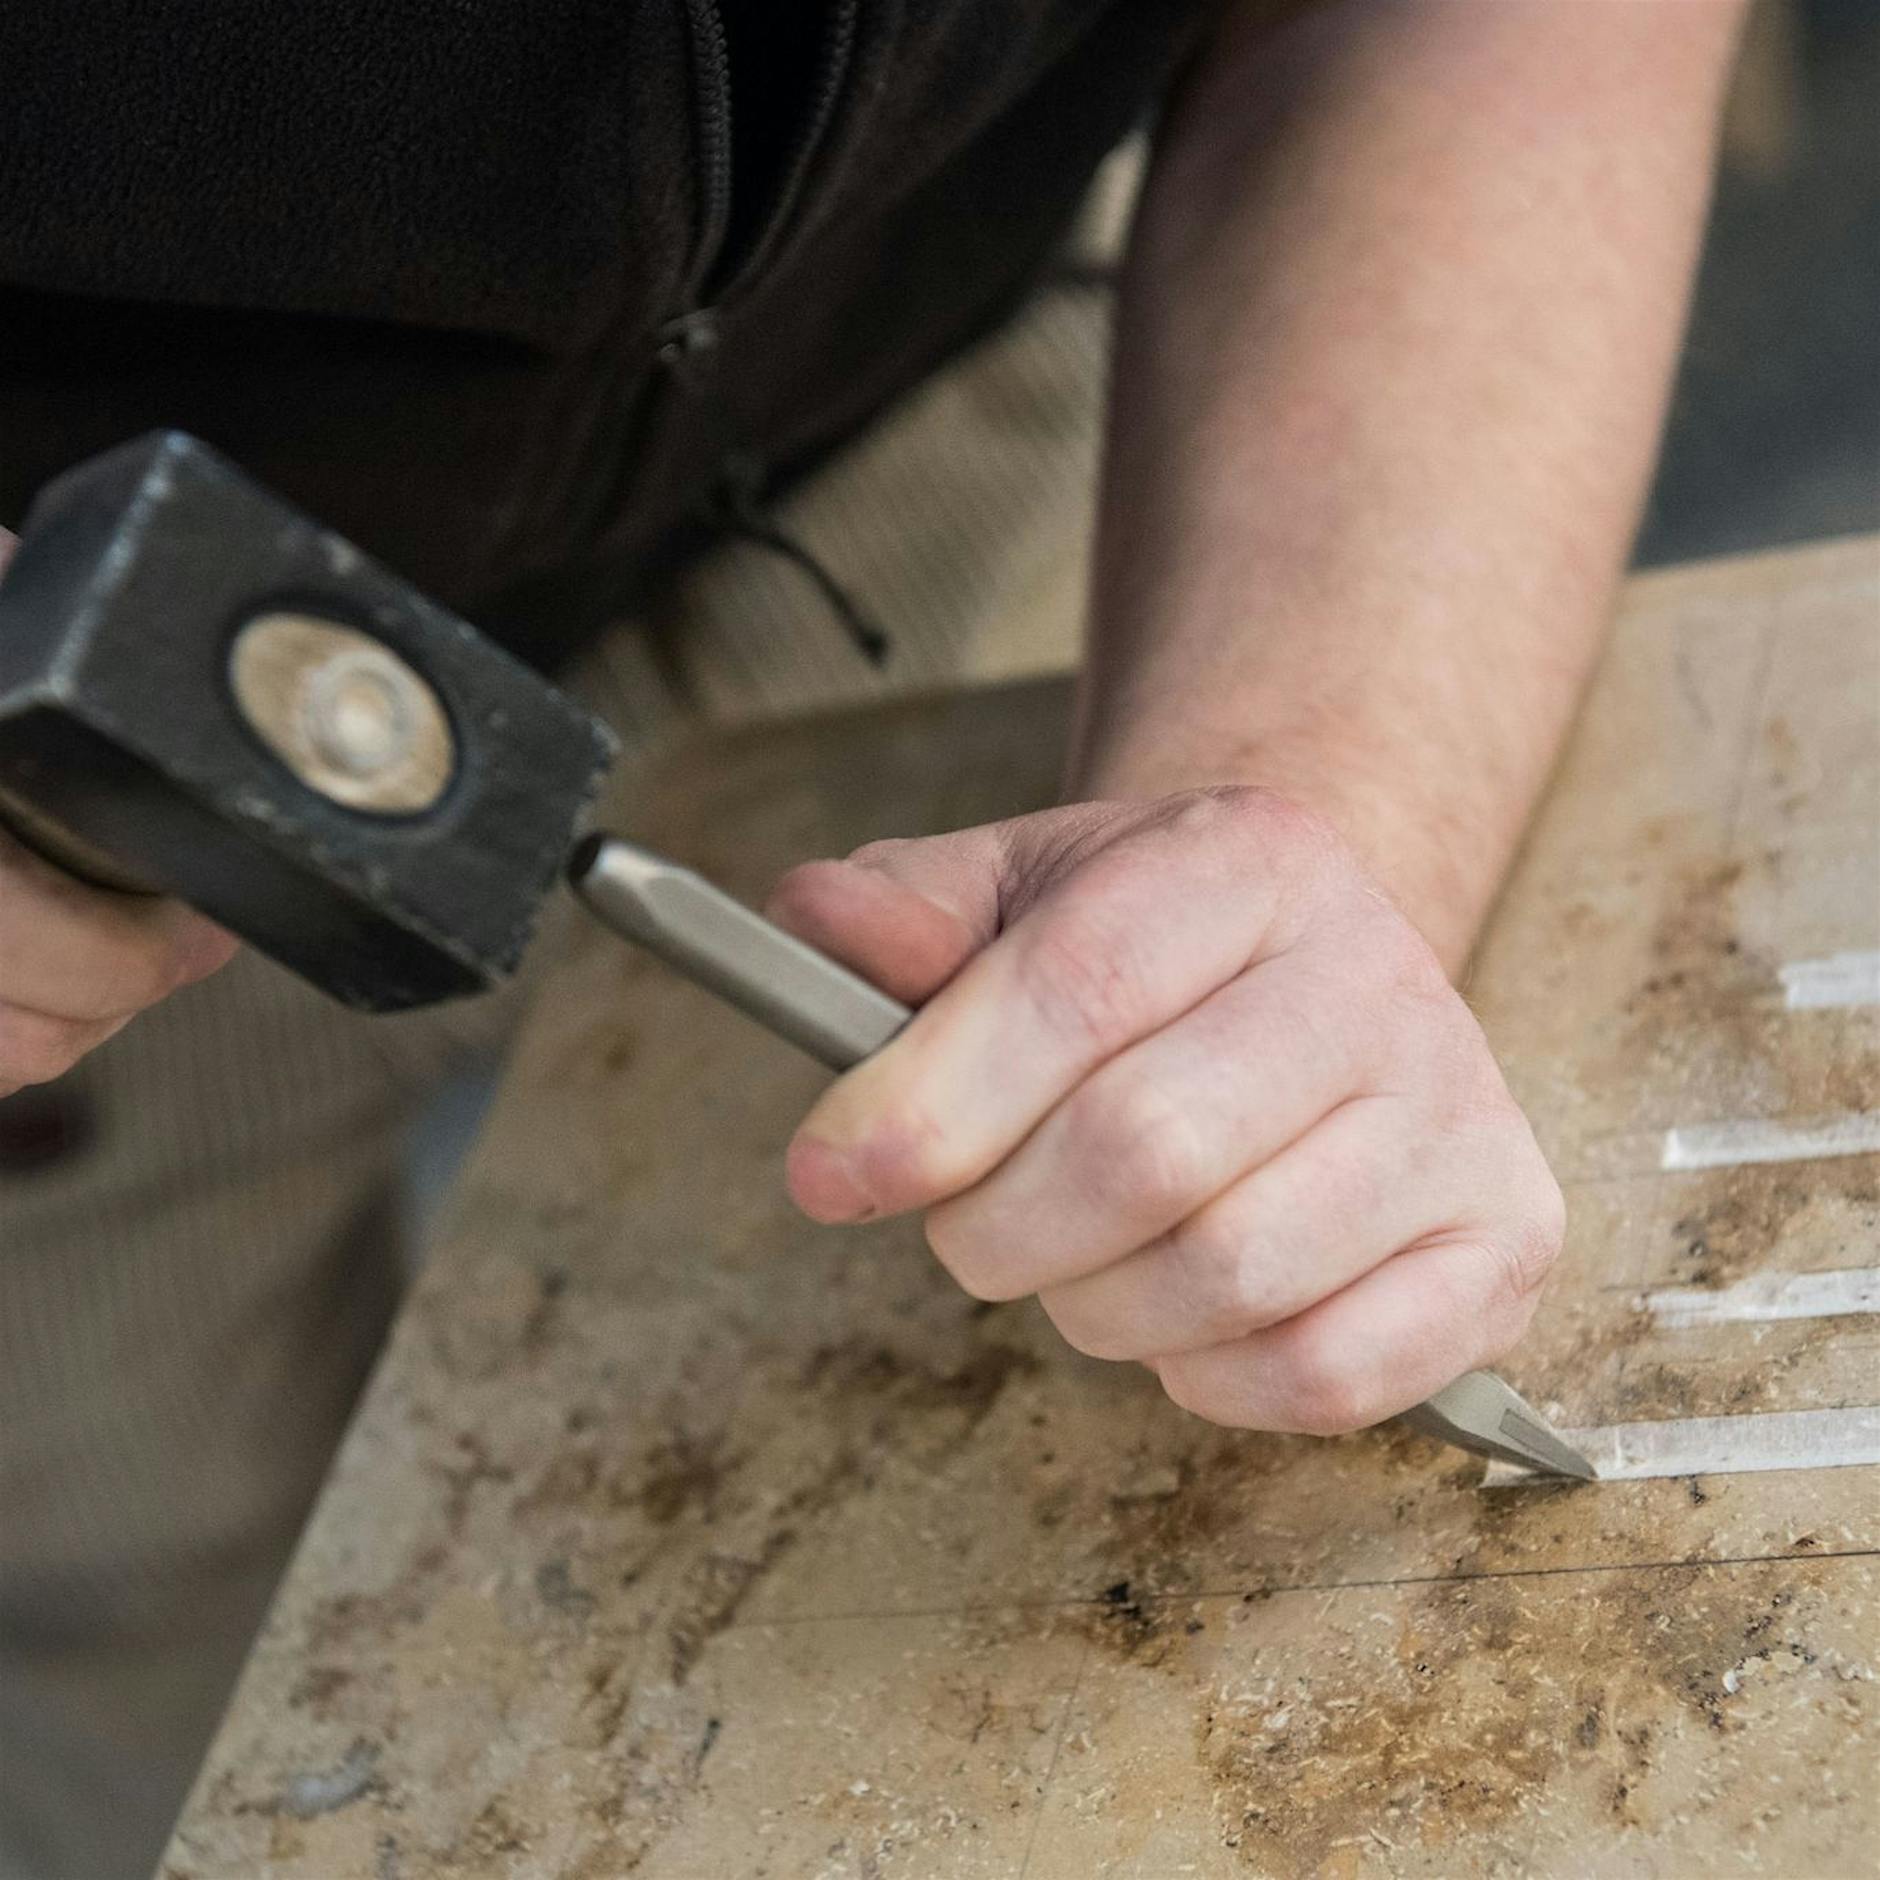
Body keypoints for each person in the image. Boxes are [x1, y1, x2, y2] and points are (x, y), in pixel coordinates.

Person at [0, 1, 1747, 1873]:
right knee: (136, 1567)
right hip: (92, 786)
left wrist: (1291, 798)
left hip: (975, 425)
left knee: (994, 1448)